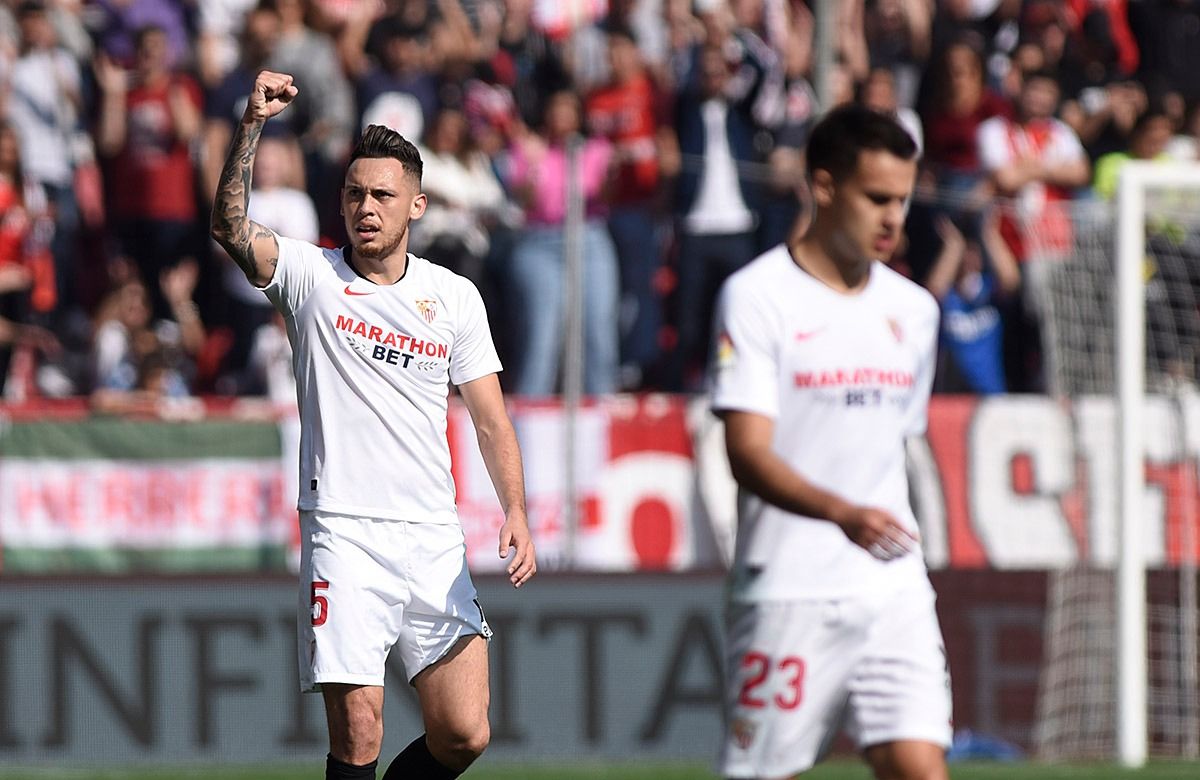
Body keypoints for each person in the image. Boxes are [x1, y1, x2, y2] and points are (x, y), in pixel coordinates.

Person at [210, 70, 536, 780]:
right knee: (360, 732)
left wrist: (515, 506)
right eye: (355, 193)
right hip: (344, 530)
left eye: (383, 195)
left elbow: (490, 418)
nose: (366, 207)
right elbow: (229, 228)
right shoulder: (311, 276)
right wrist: (251, 125)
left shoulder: (453, 297)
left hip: (430, 534)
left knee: (464, 733)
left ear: (416, 205)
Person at [711, 104, 950, 780]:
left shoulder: (915, 311)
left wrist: (870, 520)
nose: (893, 217)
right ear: (823, 187)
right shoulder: (757, 297)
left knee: (919, 768)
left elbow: (892, 443)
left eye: (902, 200)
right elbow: (747, 452)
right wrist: (841, 512)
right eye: (876, 197)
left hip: (892, 581)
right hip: (790, 586)